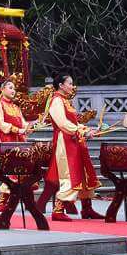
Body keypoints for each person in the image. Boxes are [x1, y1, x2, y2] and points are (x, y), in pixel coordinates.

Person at [45, 73, 101, 221]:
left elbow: (74, 123)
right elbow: (62, 123)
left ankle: (87, 209)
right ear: (61, 85)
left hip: (75, 139)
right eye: (69, 83)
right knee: (70, 173)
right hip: (65, 141)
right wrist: (81, 131)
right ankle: (58, 210)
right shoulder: (56, 101)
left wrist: (88, 130)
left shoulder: (66, 101)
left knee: (83, 172)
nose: (72, 86)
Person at [0, 77, 33, 214]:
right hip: (7, 141)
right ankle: (2, 201)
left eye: (14, 88)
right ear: (2, 89)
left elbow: (23, 122)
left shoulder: (15, 106)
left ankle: (28, 202)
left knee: (23, 171)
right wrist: (17, 129)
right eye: (10, 87)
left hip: (19, 141)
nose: (13, 90)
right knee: (10, 171)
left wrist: (28, 127)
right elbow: (0, 123)